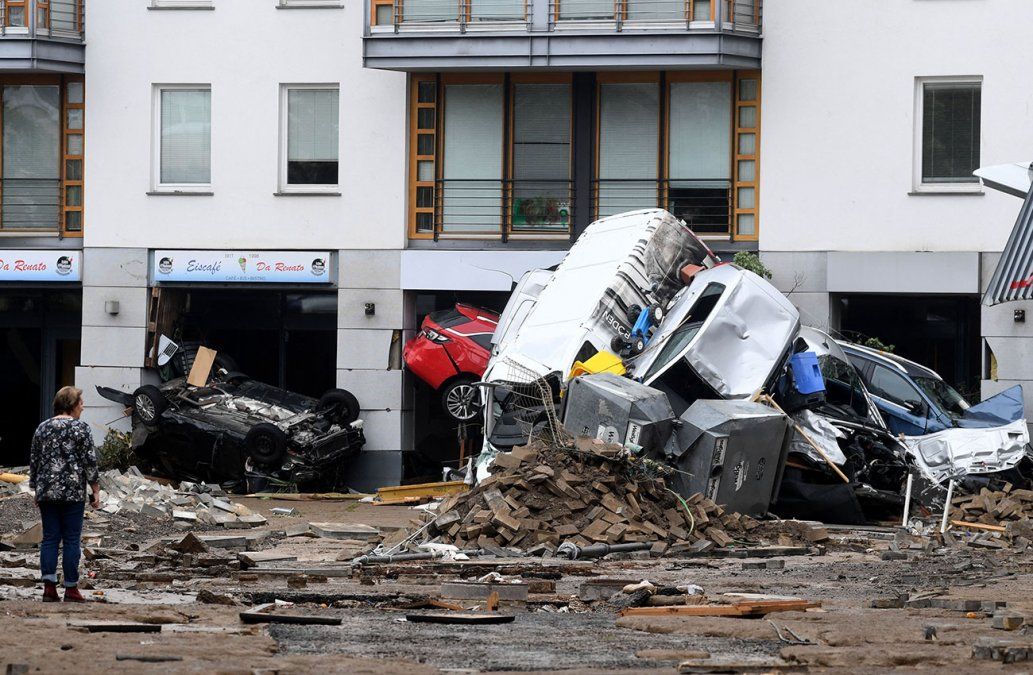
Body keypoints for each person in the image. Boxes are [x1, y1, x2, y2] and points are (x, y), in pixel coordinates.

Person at [28, 386, 100, 603]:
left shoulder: (42, 428)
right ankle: (70, 588)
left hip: (47, 492)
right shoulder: (81, 429)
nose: (83, 407)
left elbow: (35, 460)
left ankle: (49, 588)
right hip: (72, 493)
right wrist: (96, 489)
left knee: (50, 538)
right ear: (72, 405)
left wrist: (36, 488)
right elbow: (90, 461)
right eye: (81, 403)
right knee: (71, 539)